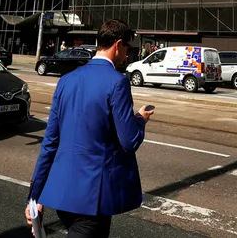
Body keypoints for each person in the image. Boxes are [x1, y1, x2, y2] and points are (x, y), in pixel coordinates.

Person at [26, 19, 154, 237]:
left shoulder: (66, 80)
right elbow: (129, 140)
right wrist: (140, 120)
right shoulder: (117, 82)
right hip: (93, 196)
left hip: (62, 193)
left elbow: (50, 143)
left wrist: (34, 196)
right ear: (118, 44)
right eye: (128, 48)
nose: (127, 55)